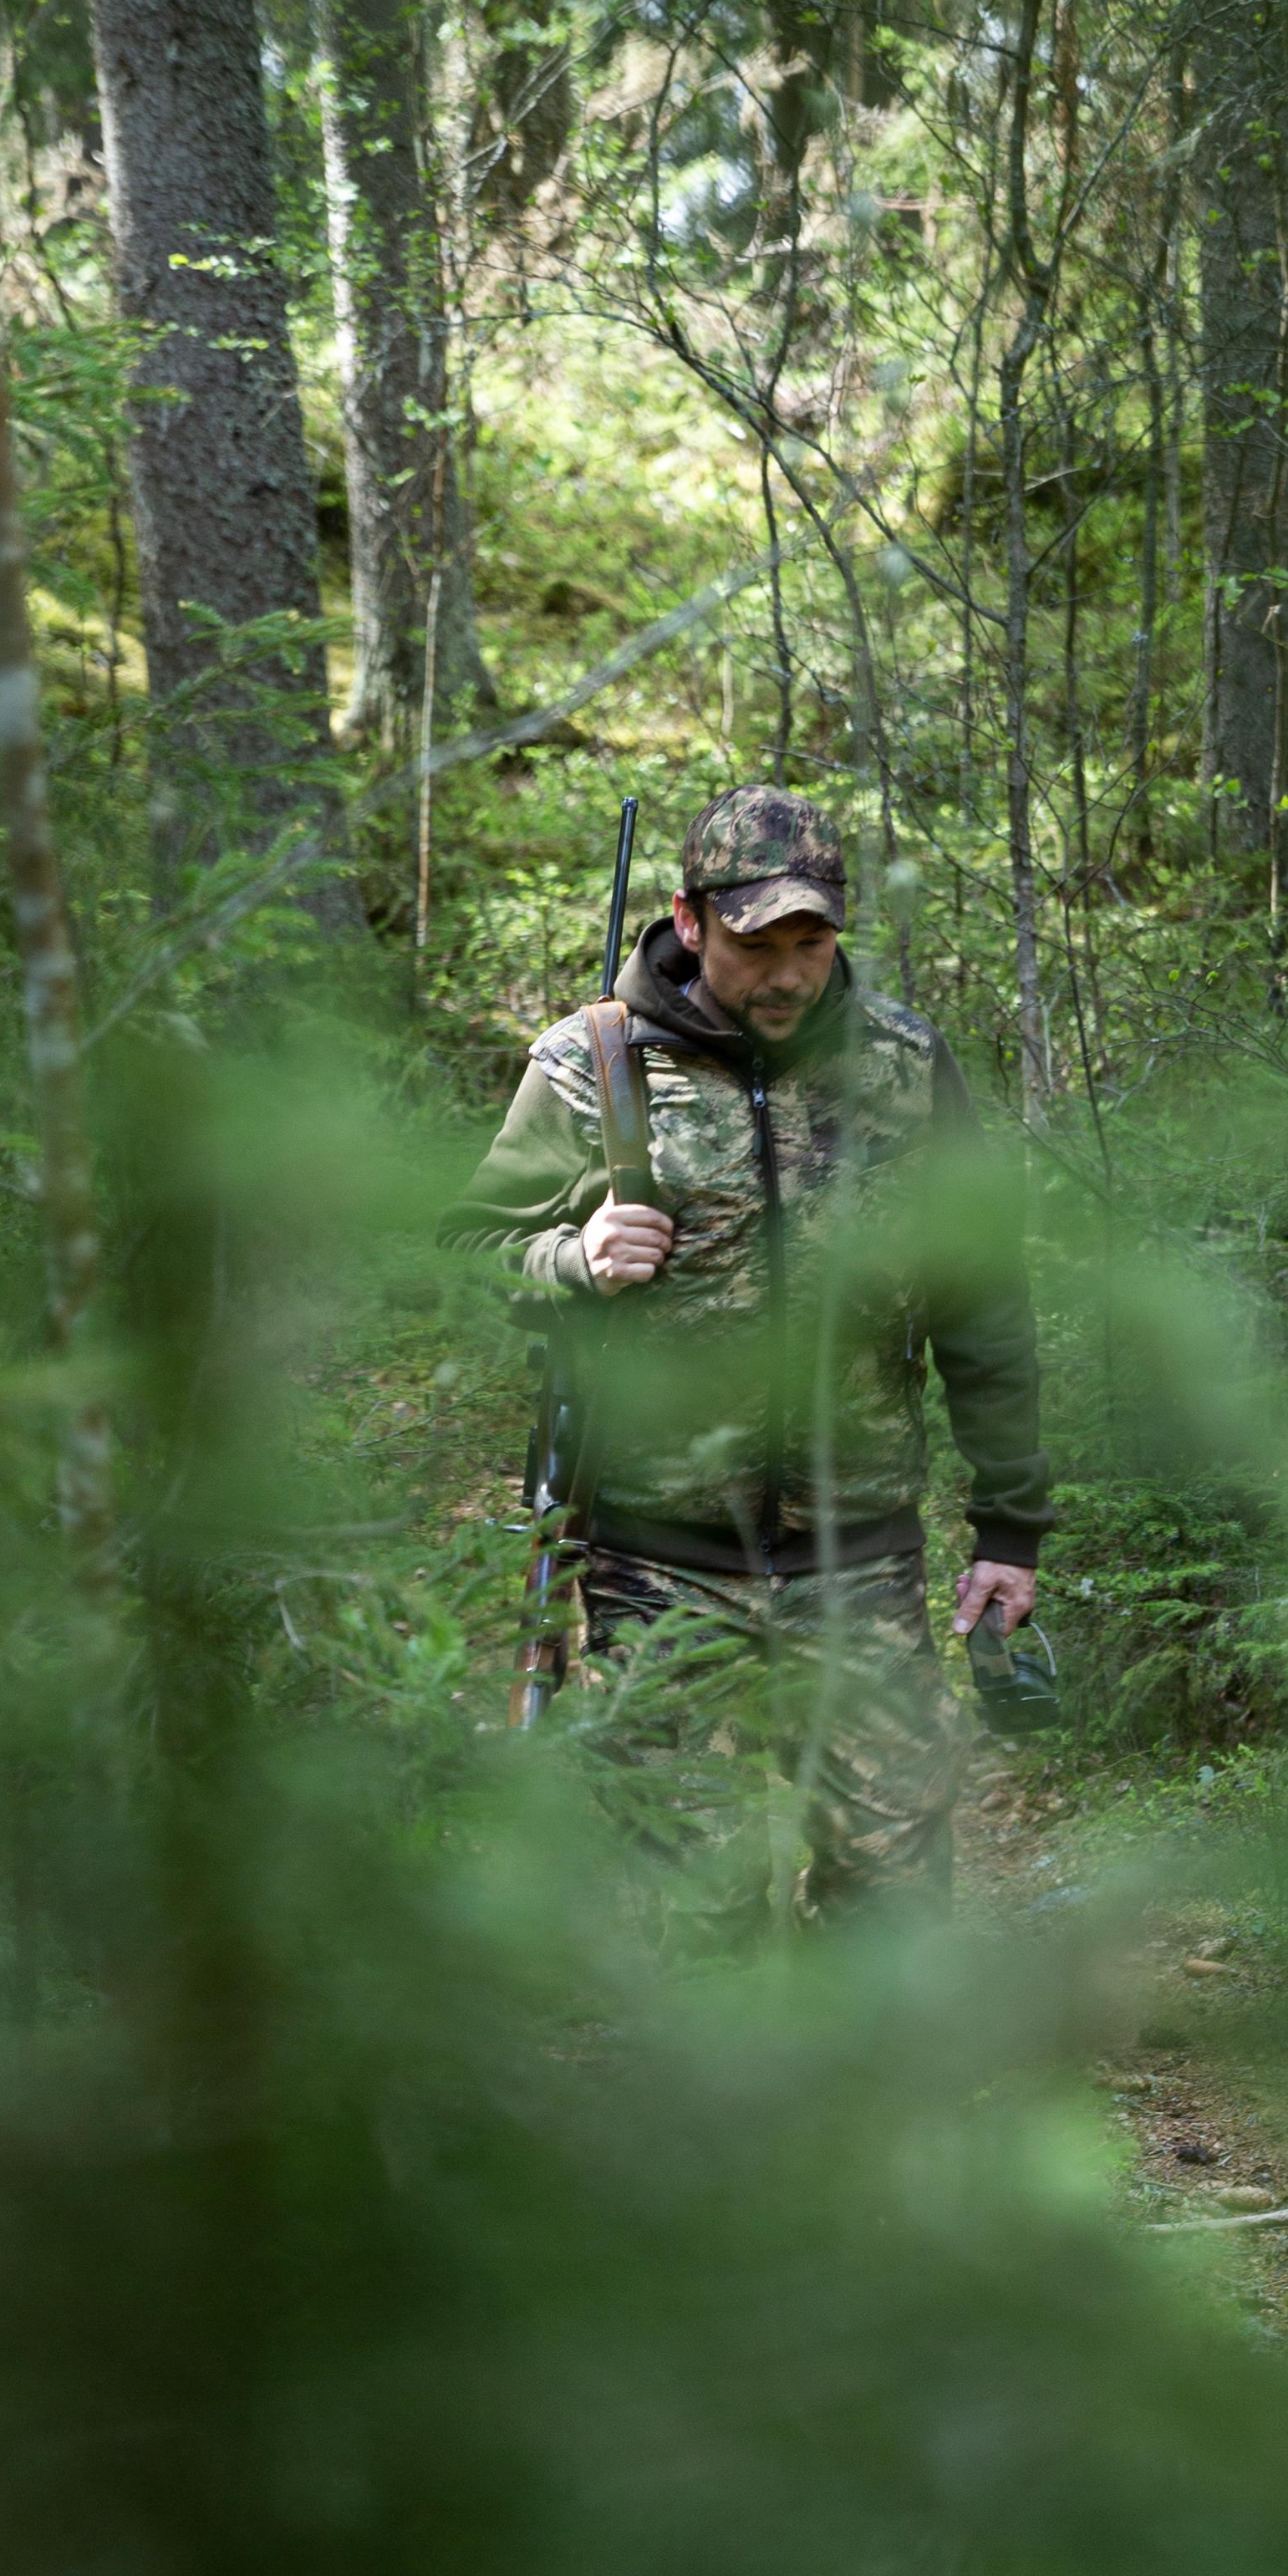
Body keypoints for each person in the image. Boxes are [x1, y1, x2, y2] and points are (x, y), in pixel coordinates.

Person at [451, 781, 1049, 1917]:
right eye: (753, 942)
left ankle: (859, 2095)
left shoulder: (904, 1068)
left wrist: (1009, 1527)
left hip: (858, 1559)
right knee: (686, 1901)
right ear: (689, 921)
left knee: (888, 1896)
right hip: (653, 1559)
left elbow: (982, 1302)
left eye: (810, 942)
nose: (785, 972)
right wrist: (569, 1258)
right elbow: (462, 1256)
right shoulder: (592, 1064)